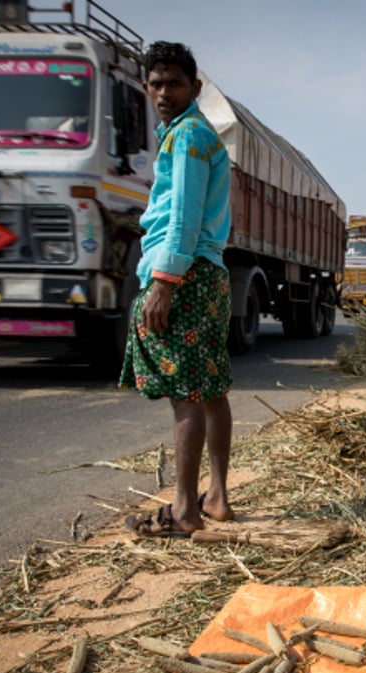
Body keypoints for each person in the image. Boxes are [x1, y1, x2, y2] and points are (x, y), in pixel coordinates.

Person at [120, 41, 234, 536]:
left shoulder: (186, 136)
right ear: (147, 86)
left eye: (175, 83)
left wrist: (163, 281)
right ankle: (217, 498)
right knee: (210, 389)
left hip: (185, 275)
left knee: (186, 394)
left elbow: (184, 216)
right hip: (208, 272)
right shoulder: (196, 134)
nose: (164, 92)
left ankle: (185, 511)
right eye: (157, 83)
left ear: (195, 87)